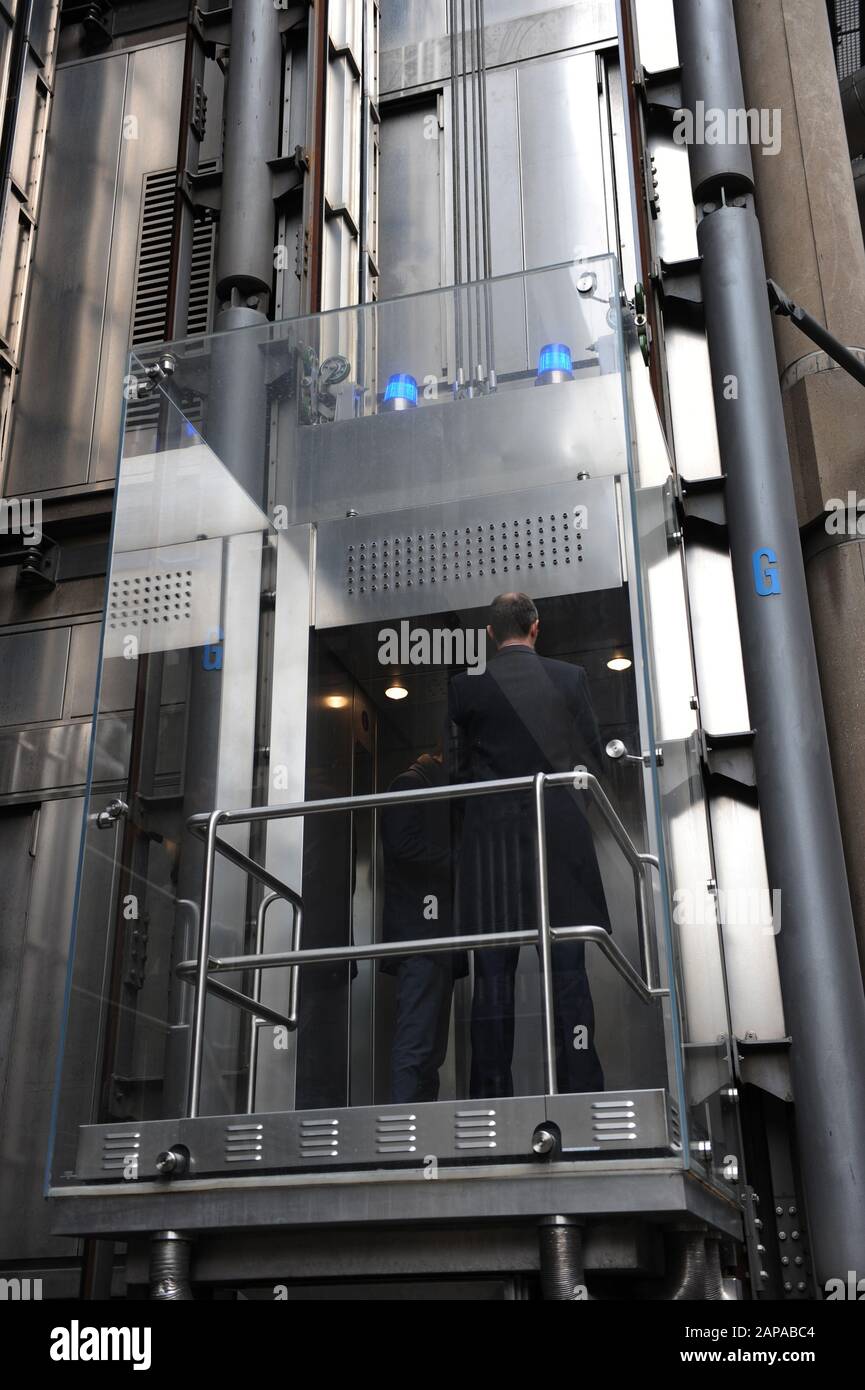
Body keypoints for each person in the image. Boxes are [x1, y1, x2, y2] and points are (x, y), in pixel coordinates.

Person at [448, 592, 609, 1098]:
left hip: (492, 848)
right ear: (535, 627)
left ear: (491, 635)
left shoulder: (465, 687)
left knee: (492, 975)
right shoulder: (569, 679)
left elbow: (457, 775)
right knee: (567, 973)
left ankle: (490, 1099)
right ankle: (580, 1089)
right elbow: (592, 765)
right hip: (558, 843)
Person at [380, 748, 467, 1103]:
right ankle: (405, 1125)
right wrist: (456, 861)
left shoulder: (426, 790)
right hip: (421, 933)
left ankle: (418, 1123)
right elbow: (403, 847)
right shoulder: (411, 785)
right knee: (418, 1042)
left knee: (429, 1048)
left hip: (431, 936)